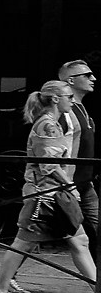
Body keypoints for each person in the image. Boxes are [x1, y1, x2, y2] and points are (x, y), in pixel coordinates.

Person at [0, 80, 101, 293]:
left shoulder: (51, 124)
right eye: (69, 97)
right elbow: (48, 165)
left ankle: (98, 291)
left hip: (53, 195)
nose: (72, 100)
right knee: (24, 243)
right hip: (44, 195)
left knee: (79, 240)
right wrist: (70, 185)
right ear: (55, 99)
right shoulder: (47, 125)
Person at [60, 59, 99, 246]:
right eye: (87, 75)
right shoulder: (65, 112)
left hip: (84, 183)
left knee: (91, 235)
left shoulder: (82, 109)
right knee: (35, 233)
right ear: (71, 81)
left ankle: (93, 275)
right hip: (67, 184)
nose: (94, 78)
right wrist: (67, 184)